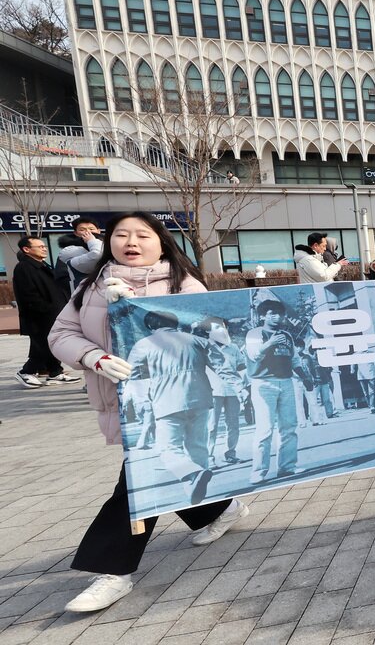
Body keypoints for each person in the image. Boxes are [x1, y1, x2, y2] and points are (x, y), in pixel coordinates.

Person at [48, 212, 248, 613]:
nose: (131, 241)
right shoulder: (91, 287)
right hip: (127, 402)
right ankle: (223, 507)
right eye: (121, 234)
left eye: (142, 234)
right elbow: (61, 334)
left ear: (161, 242)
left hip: (180, 399)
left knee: (141, 480)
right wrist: (93, 356)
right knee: (164, 469)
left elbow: (211, 333)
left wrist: (139, 310)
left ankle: (112, 571)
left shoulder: (183, 283)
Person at [125, 311, 218, 502]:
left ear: (150, 326)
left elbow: (130, 372)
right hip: (200, 397)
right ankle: (194, 488)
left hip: (167, 401)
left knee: (167, 448)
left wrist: (142, 391)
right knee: (198, 445)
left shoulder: (144, 344)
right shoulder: (196, 340)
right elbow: (219, 363)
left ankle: (193, 473)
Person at [245, 300, 301, 484]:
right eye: (272, 313)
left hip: (285, 381)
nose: (277, 316)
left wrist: (306, 377)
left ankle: (287, 467)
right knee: (265, 428)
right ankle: (258, 471)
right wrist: (270, 342)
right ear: (263, 316)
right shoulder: (255, 333)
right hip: (263, 382)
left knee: (289, 426)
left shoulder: (287, 335)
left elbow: (295, 359)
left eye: (280, 313)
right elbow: (254, 355)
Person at [13, 236, 81, 387]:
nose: (44, 248)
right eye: (40, 246)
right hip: (40, 316)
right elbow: (28, 294)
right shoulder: (24, 267)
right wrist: (46, 309)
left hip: (52, 312)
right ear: (26, 249)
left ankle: (55, 372)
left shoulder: (41, 265)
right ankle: (26, 372)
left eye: (44, 246)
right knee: (44, 345)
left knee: (50, 343)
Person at [197, 316, 248, 467]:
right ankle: (208, 458)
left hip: (232, 391)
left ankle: (230, 454)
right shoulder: (203, 347)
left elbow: (241, 367)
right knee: (211, 426)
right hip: (212, 391)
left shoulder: (233, 348)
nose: (222, 330)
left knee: (233, 424)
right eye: (217, 327)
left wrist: (243, 386)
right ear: (208, 331)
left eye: (224, 327)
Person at [57, 217, 103, 288]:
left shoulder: (108, 245)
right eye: (82, 230)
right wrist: (91, 241)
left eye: (91, 229)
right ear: (75, 233)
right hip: (84, 290)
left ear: (99, 231)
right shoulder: (70, 250)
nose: (88, 232)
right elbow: (97, 255)